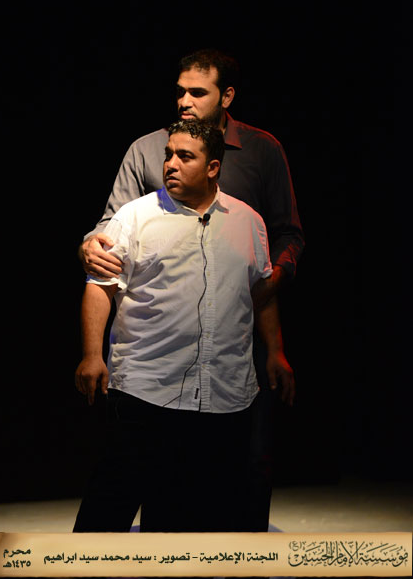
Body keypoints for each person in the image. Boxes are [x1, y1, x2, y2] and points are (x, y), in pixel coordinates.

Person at [79, 48, 304, 531]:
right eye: (179, 91)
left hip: (226, 364)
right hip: (151, 367)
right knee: (117, 493)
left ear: (227, 96)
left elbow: (273, 256)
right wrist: (89, 250)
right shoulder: (143, 162)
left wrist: (274, 337)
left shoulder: (257, 174)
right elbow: (106, 246)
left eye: (197, 92)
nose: (184, 101)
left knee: (218, 493)